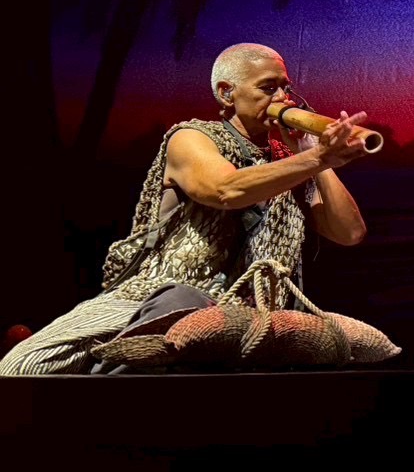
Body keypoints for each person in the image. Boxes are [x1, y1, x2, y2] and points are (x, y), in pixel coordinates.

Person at [1, 42, 373, 376]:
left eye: (285, 88)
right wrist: (314, 160)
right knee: (29, 366)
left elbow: (349, 232)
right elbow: (225, 190)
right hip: (174, 293)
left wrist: (315, 157)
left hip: (256, 310)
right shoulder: (191, 137)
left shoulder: (291, 160)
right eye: (268, 87)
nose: (282, 98)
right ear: (227, 92)